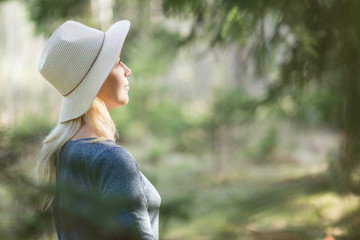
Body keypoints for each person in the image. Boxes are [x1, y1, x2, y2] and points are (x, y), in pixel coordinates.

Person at [35, 20, 161, 240]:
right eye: (118, 62)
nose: (127, 71)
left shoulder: (63, 154)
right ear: (97, 79)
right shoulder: (111, 160)